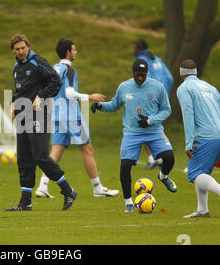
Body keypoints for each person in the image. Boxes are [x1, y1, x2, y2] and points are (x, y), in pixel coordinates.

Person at [35, 38, 119, 198]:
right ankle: (98, 188)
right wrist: (90, 96)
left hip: (57, 115)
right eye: (74, 49)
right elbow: (69, 93)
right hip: (71, 116)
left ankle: (42, 186)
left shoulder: (54, 68)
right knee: (87, 149)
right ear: (68, 52)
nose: (76, 52)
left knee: (56, 151)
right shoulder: (69, 69)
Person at [91, 59, 177, 212]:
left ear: (146, 73)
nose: (139, 78)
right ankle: (128, 202)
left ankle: (163, 176)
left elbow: (166, 110)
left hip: (154, 131)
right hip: (132, 134)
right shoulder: (124, 87)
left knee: (169, 157)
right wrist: (100, 106)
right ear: (133, 73)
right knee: (125, 167)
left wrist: (150, 121)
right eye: (137, 75)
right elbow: (114, 105)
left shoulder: (158, 87)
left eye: (142, 75)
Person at [6, 33, 77, 211]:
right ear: (13, 51)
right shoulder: (16, 67)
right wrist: (14, 103)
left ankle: (68, 190)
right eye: (17, 49)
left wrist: (41, 96)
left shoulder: (38, 62)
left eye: (23, 48)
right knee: (23, 158)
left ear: (28, 47)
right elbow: (20, 90)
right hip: (23, 116)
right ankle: (26, 202)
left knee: (40, 156)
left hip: (40, 114)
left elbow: (55, 80)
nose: (21, 51)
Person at [176, 59, 220, 218]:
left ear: (181, 74)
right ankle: (202, 210)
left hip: (207, 136)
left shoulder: (184, 88)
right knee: (202, 171)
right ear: (196, 72)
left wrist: (189, 143)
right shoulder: (210, 87)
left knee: (194, 174)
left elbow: (188, 115)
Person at [133, 39, 174, 170]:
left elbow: (144, 79)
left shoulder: (141, 61)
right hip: (162, 96)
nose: (133, 49)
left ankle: (153, 158)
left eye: (134, 47)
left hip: (149, 97)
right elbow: (169, 79)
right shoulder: (157, 59)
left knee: (143, 124)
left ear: (139, 48)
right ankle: (160, 157)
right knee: (154, 126)